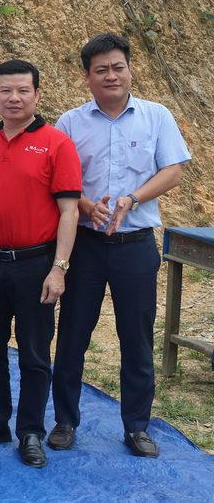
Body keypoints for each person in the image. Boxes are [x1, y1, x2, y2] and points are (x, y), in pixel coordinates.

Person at [49, 34, 190, 458]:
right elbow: (59, 181)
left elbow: (173, 171)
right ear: (87, 77)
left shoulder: (156, 116)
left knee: (136, 337)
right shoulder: (70, 123)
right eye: (101, 70)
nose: (111, 75)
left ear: (129, 70)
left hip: (136, 245)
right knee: (72, 335)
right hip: (85, 247)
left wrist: (132, 199)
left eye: (118, 67)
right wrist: (87, 206)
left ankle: (137, 427)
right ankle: (64, 421)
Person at [0, 59, 81, 468]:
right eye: (6, 90)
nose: (14, 98)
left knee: (34, 352)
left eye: (23, 90)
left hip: (36, 265)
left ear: (37, 95)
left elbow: (69, 211)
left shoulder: (57, 144)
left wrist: (59, 267)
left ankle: (30, 431)